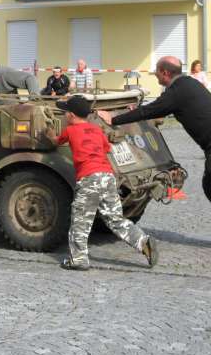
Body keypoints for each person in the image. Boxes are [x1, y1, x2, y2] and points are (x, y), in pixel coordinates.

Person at [45, 96, 158, 271]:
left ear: (72, 115)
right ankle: (143, 241)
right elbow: (106, 148)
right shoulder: (97, 130)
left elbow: (55, 141)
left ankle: (79, 259)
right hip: (107, 176)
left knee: (80, 221)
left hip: (89, 178)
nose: (65, 114)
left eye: (66, 111)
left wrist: (50, 133)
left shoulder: (71, 130)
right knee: (115, 219)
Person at [98, 56, 211, 203]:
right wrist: (138, 109)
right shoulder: (189, 83)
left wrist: (113, 118)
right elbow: (157, 106)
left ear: (164, 73)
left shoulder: (177, 92)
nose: (154, 73)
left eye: (156, 71)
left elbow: (150, 111)